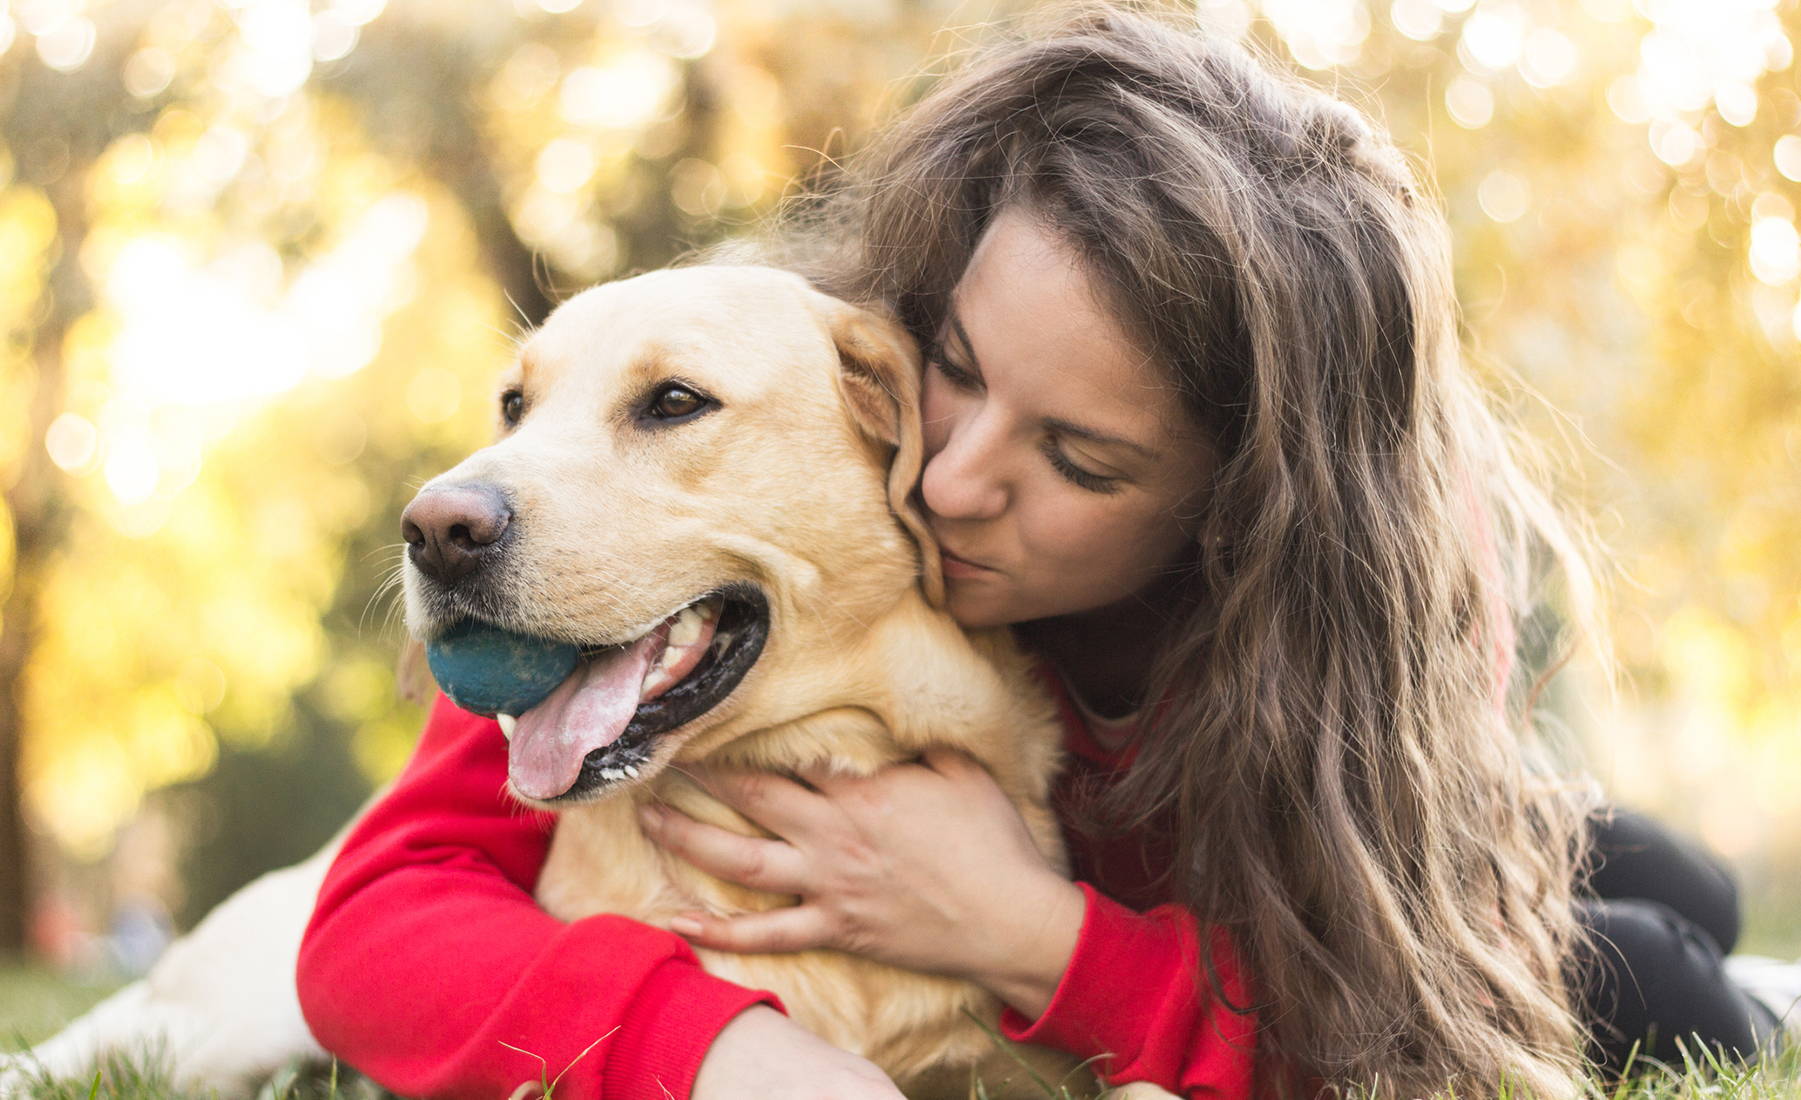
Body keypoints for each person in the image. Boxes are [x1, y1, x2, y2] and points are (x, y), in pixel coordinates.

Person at [296, 7, 1787, 1098]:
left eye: (1075, 460)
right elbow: (384, 916)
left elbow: (1372, 1024)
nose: (943, 479)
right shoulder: (712, 488)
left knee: (1648, 955)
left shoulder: (1347, 599)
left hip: (1312, 835)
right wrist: (718, 1046)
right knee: (1635, 882)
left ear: (1227, 513)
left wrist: (1028, 930)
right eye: (954, 365)